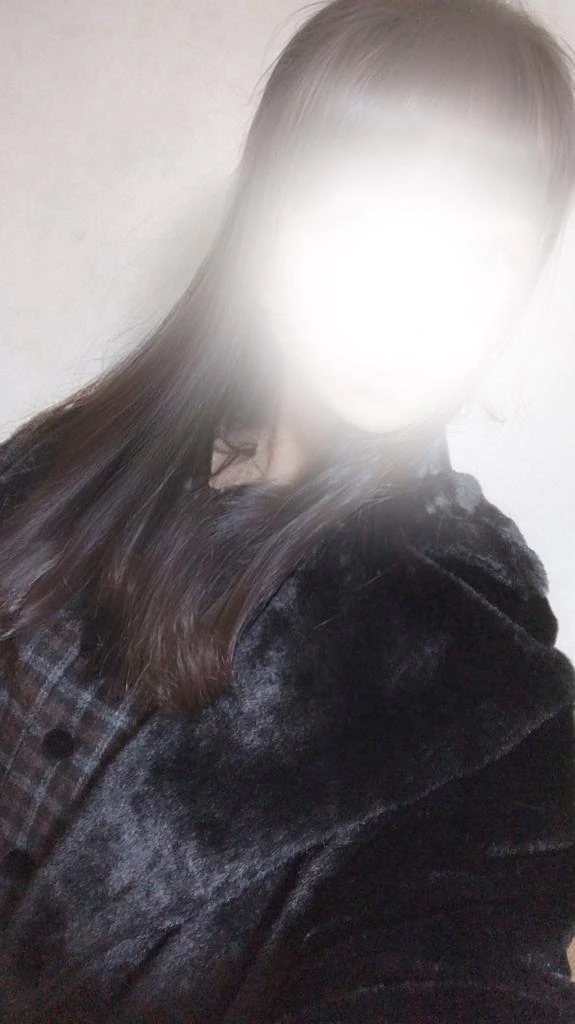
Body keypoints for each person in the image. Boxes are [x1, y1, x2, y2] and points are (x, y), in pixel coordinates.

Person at [0, 0, 574, 1019]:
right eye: (361, 220)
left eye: (481, 255)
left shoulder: (477, 676)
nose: (407, 302)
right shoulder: (84, 452)